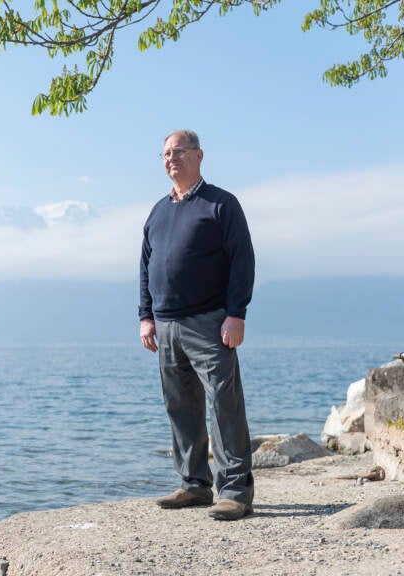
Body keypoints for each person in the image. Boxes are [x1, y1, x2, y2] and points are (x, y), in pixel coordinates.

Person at [139, 129, 256, 521]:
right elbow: (146, 265)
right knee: (180, 406)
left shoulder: (221, 204)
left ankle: (235, 491)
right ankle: (194, 485)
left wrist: (236, 313)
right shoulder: (158, 211)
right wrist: (146, 316)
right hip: (166, 324)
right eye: (165, 154)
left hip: (210, 322)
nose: (171, 158)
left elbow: (242, 260)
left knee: (224, 403)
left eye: (179, 151)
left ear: (199, 155)